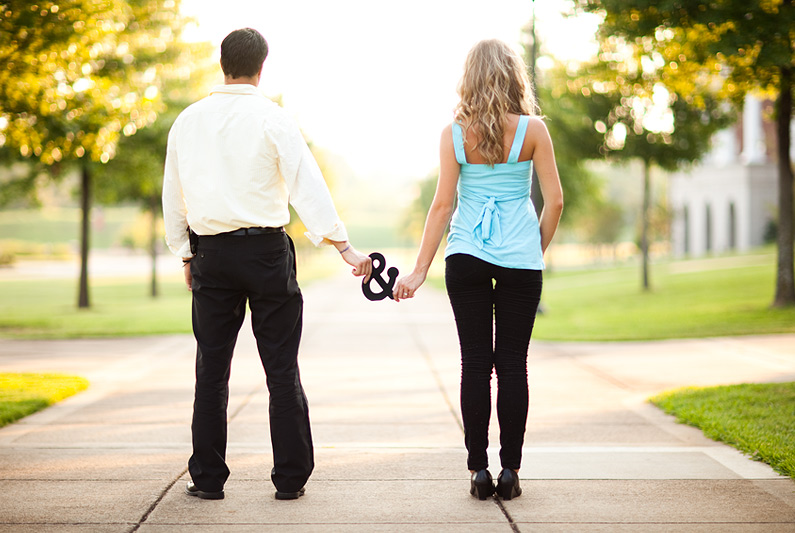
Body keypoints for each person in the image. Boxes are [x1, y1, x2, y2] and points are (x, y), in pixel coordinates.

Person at [162, 28, 372, 501]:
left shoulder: (187, 121)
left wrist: (184, 253)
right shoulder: (273, 119)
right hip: (265, 254)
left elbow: (172, 195)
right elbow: (307, 186)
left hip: (211, 254)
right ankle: (290, 478)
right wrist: (343, 248)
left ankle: (209, 480)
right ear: (262, 68)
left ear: (222, 64)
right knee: (281, 368)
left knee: (210, 369)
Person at [393, 39, 563, 501]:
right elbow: (555, 201)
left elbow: (443, 205)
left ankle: (478, 472)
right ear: (514, 76)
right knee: (512, 365)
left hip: (466, 256)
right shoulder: (533, 130)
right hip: (519, 262)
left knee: (474, 363)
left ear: (468, 78)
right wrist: (532, 248)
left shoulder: (453, 133)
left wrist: (418, 270)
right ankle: (510, 471)